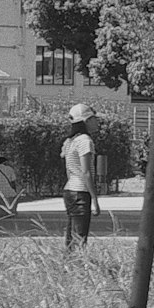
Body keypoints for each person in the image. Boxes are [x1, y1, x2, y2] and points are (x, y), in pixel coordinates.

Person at [58, 104, 102, 250]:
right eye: (94, 118)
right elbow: (86, 172)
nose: (97, 121)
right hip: (80, 192)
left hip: (70, 189)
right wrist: (95, 199)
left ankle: (68, 265)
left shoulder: (70, 141)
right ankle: (78, 265)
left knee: (71, 236)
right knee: (80, 237)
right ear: (86, 120)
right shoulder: (85, 141)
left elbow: (68, 170)